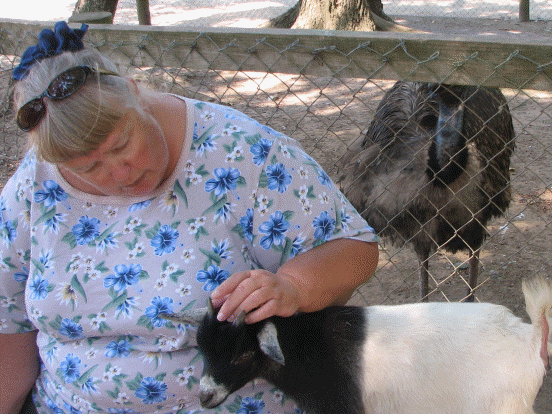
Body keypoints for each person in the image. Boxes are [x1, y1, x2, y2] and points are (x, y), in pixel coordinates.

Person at [0, 21, 379, 414]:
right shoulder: (34, 185)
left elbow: (354, 249)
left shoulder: (245, 152)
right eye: (88, 168)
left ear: (135, 92)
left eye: (122, 145)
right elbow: (7, 321)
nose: (119, 173)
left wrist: (292, 286)